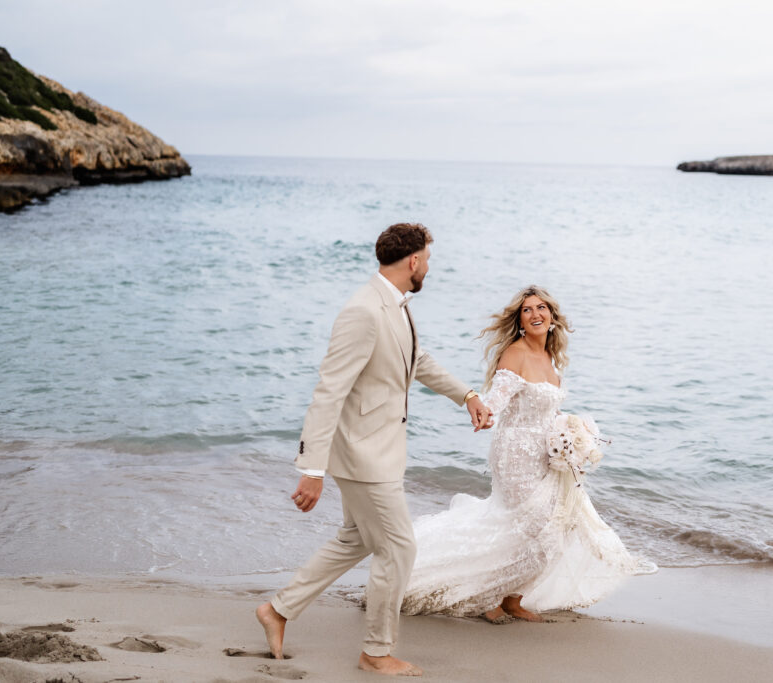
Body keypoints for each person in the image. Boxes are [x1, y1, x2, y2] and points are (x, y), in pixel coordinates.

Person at [256, 223, 492, 677]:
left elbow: (416, 360)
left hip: (380, 449)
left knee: (358, 539)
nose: (429, 268)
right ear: (414, 261)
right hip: (362, 454)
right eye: (428, 259)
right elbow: (329, 390)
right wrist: (313, 469)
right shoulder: (363, 310)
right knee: (399, 548)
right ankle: (375, 652)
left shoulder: (395, 304)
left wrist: (466, 395)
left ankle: (278, 610)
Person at [401, 285, 656, 622]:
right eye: (527, 310)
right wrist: (483, 412)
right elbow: (496, 400)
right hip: (515, 454)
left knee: (558, 526)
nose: (535, 314)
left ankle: (513, 598)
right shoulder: (515, 354)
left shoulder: (552, 358)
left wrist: (573, 435)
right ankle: (488, 597)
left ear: (552, 316)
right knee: (524, 525)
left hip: (546, 456)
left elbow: (549, 411)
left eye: (541, 308)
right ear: (520, 321)